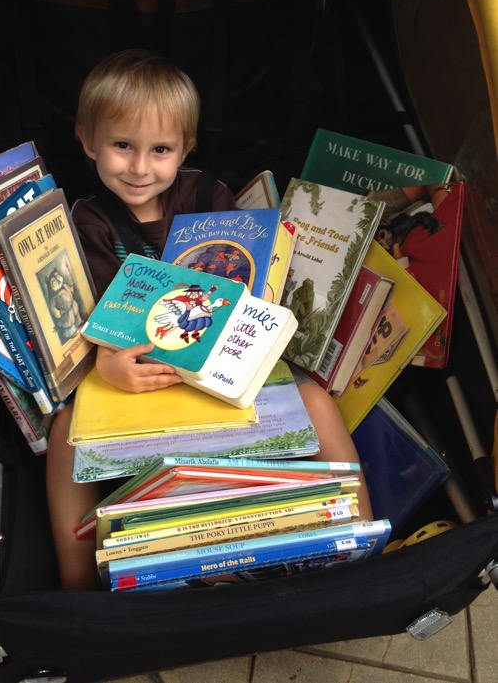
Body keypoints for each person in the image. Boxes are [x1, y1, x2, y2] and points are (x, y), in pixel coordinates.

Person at [46, 48, 373, 591]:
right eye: (122, 145)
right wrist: (110, 368)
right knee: (65, 432)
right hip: (144, 380)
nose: (139, 166)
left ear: (186, 148)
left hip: (227, 364)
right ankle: (79, 590)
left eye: (161, 149)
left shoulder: (208, 195)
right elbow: (99, 322)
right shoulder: (90, 221)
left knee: (317, 398)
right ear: (87, 141)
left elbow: (251, 278)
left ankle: (358, 547)